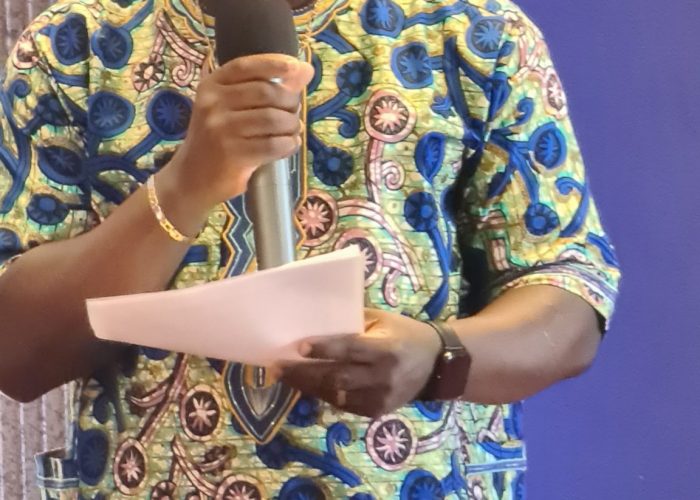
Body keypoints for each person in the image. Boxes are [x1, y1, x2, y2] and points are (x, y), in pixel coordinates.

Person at [0, 0, 620, 497]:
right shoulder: (74, 44)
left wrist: (436, 357)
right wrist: (186, 185)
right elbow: (17, 352)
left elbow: (568, 295)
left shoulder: (476, 32)